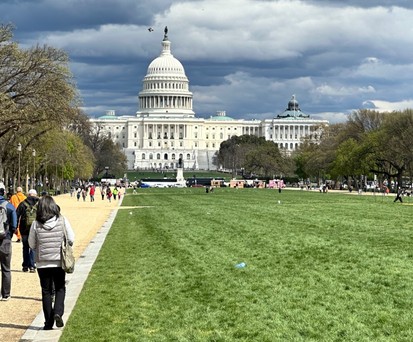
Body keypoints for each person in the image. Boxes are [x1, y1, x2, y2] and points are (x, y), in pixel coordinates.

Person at [28, 195, 74, 330]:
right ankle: (58, 312)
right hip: (59, 261)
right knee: (60, 288)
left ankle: (48, 323)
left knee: (46, 291)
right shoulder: (62, 220)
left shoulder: (36, 224)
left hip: (43, 263)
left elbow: (31, 244)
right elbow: (71, 237)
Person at [0, 188, 17, 301]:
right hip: (5, 239)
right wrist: (9, 235)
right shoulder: (10, 206)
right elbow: (14, 224)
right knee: (6, 268)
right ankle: (6, 294)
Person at [16, 189, 39, 272]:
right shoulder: (39, 204)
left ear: (28, 195)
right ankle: (32, 266)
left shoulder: (22, 204)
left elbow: (17, 215)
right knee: (33, 247)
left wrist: (15, 227)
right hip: (35, 229)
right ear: (35, 195)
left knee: (25, 247)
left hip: (24, 229)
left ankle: (25, 265)